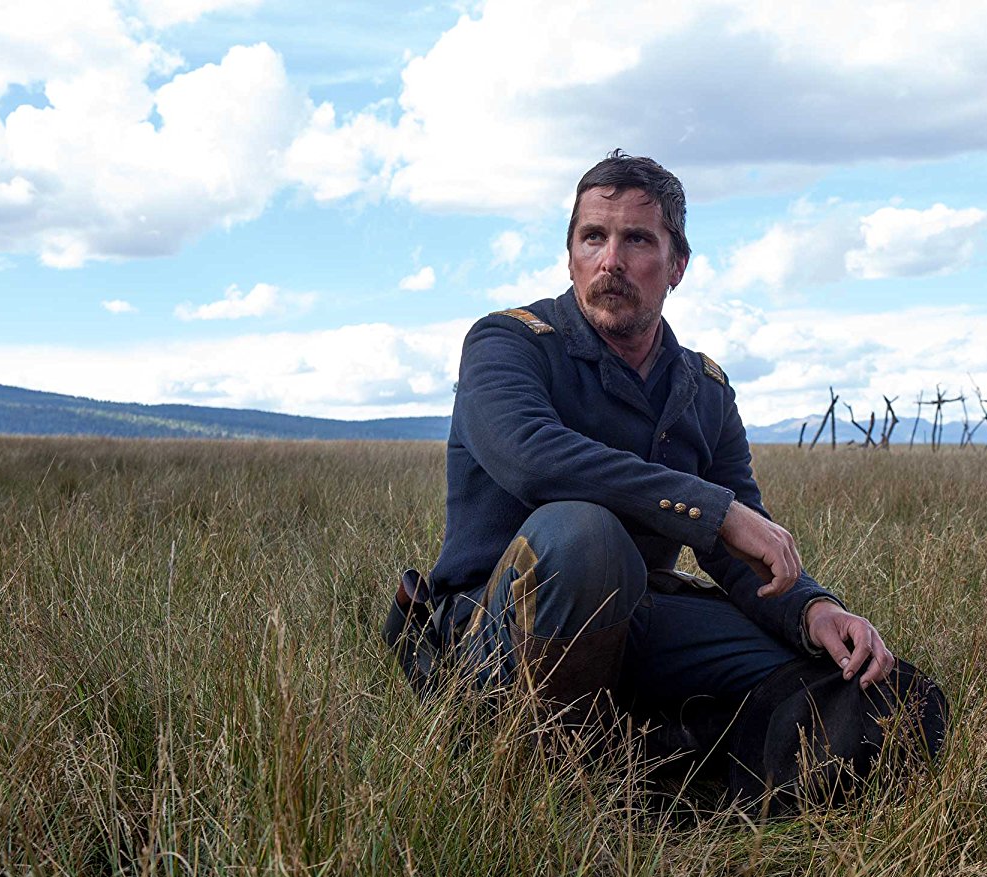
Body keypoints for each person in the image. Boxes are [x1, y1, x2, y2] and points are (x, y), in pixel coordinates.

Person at [386, 151, 945, 807]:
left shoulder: (702, 388)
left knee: (864, 688)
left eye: (637, 240)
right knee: (584, 536)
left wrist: (813, 608)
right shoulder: (509, 344)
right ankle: (549, 791)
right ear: (570, 256)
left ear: (677, 265)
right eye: (592, 238)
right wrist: (712, 510)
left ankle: (674, 768)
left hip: (635, 620)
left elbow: (739, 550)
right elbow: (530, 456)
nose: (610, 261)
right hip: (494, 633)